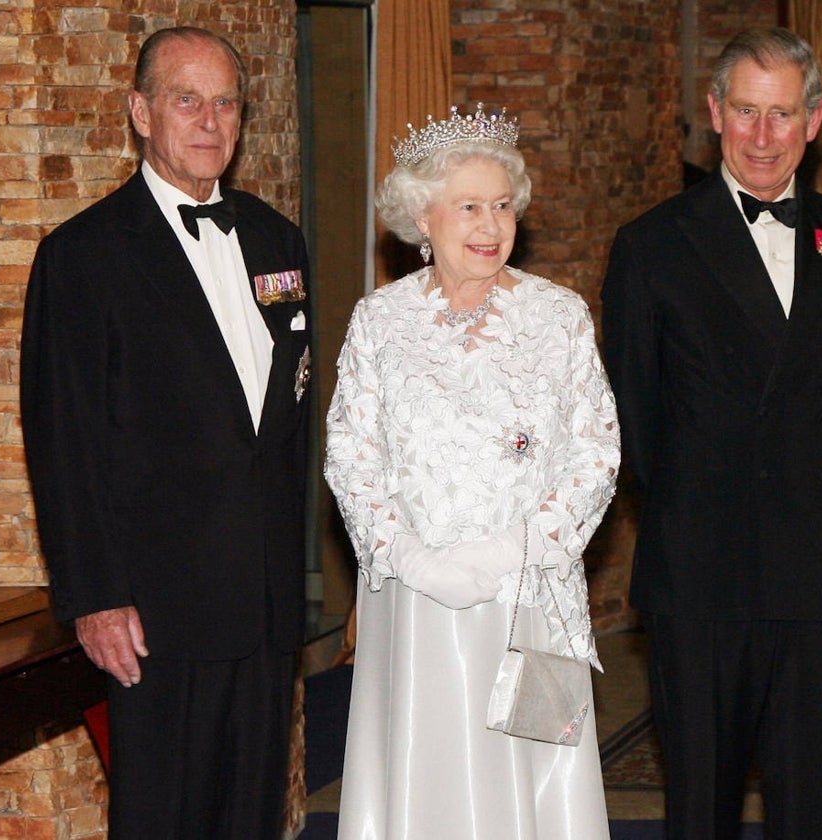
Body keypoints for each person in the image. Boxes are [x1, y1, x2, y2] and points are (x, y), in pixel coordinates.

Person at [20, 26, 310, 839]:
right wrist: (96, 596)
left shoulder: (277, 241)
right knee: (164, 820)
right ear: (141, 111)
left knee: (250, 817)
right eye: (188, 99)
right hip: (155, 609)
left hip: (262, 599)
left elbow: (283, 420)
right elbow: (62, 441)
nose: (210, 121)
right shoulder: (82, 257)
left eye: (226, 103)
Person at [601, 27, 822, 839]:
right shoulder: (652, 244)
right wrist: (708, 502)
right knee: (702, 803)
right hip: (702, 569)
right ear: (714, 113)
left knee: (814, 804)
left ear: (816, 120)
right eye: (748, 112)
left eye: (784, 114)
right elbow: (635, 418)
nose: (765, 136)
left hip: (819, 571)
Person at [324, 102, 620, 839]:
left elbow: (597, 452)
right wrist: (413, 559)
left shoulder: (559, 316)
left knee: (530, 778)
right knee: (428, 777)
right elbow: (349, 452)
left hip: (527, 595)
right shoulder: (380, 321)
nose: (491, 226)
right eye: (468, 208)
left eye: (502, 206)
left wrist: (507, 553)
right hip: (417, 604)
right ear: (422, 218)